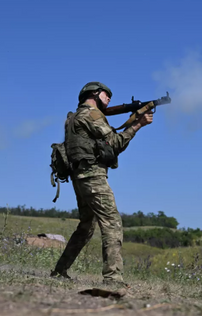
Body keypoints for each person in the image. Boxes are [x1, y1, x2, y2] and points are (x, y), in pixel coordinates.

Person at [50, 81, 153, 286]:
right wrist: (137, 125)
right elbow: (115, 144)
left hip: (79, 176)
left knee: (86, 226)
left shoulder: (73, 117)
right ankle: (112, 277)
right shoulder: (92, 115)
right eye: (106, 94)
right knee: (112, 222)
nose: (109, 99)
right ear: (94, 94)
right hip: (93, 176)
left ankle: (60, 270)